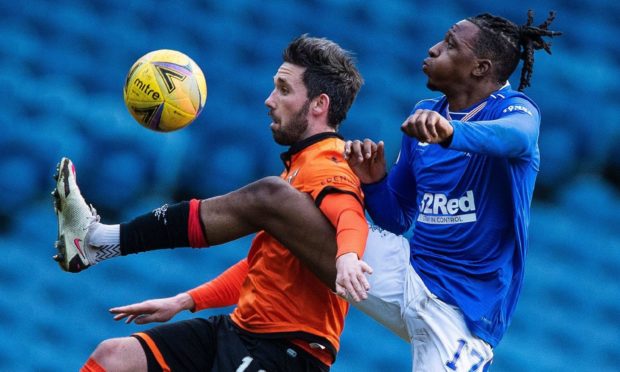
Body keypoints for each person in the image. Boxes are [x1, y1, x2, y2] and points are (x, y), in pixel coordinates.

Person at [55, 10, 562, 371]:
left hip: (464, 316)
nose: (435, 47)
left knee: (276, 201)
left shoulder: (512, 112)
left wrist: (455, 134)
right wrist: (378, 182)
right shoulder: (424, 114)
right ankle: (101, 241)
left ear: (481, 69)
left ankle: (102, 240)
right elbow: (399, 213)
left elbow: (514, 141)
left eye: (452, 44)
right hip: (407, 272)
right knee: (274, 203)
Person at [53, 35, 368, 371]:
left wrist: (348, 255)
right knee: (115, 357)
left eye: (283, 89)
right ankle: (97, 242)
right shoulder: (299, 167)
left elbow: (350, 213)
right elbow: (262, 266)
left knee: (266, 193)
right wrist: (186, 300)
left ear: (319, 105)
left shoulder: (330, 165)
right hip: (240, 328)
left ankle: (100, 240)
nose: (269, 99)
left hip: (286, 351)